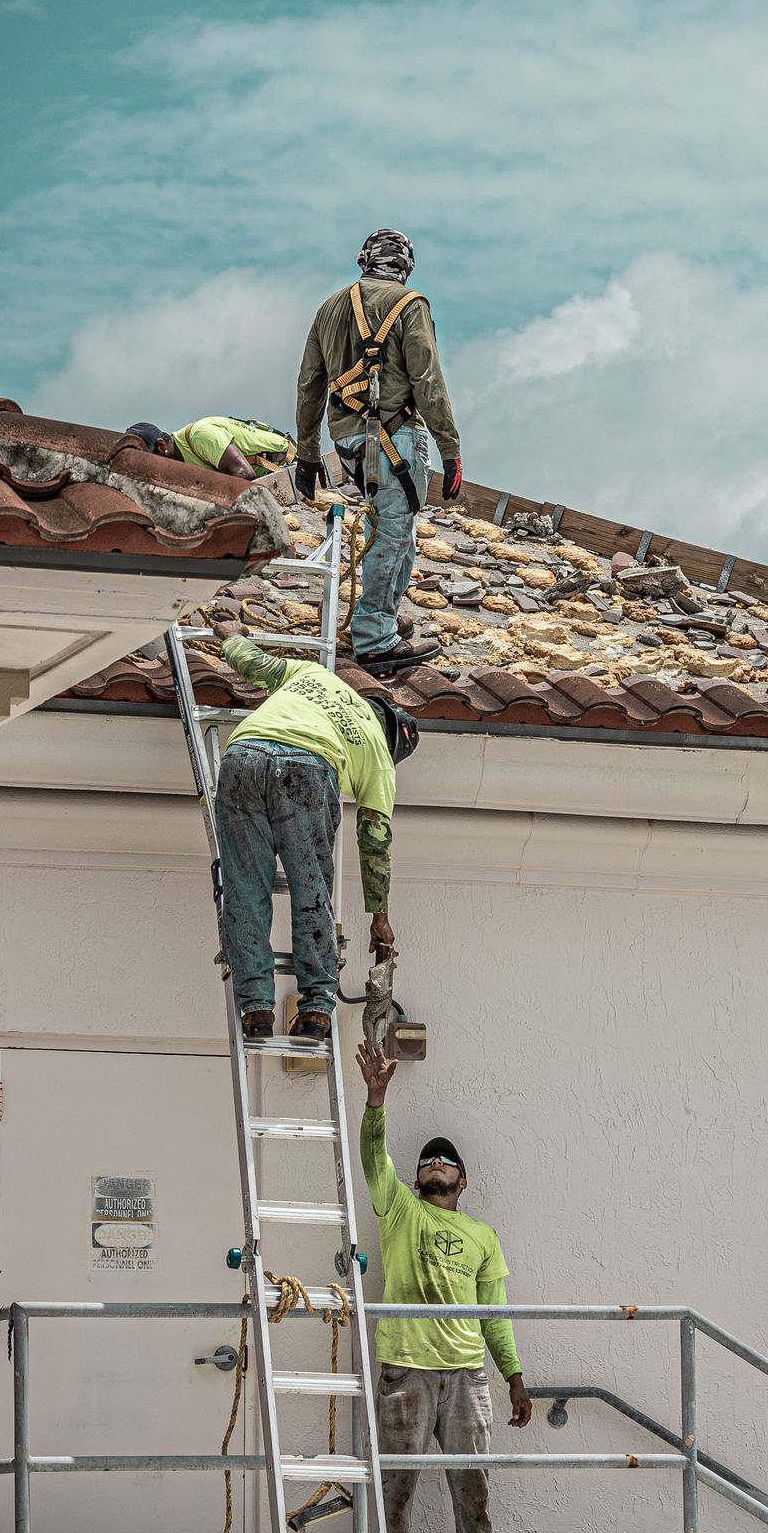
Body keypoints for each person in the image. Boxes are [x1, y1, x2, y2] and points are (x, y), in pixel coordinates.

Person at [354, 1035, 533, 1533]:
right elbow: (373, 1161)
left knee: (472, 1490)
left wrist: (513, 1376)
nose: (434, 1164)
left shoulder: (484, 1238)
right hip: (405, 1369)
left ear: (462, 1180)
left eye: (445, 1161)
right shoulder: (400, 1209)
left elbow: (495, 1313)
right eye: (427, 1160)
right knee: (395, 1491)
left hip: (465, 1374)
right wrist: (376, 1099)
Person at [211, 633, 417, 1041]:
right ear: (392, 740)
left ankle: (255, 1008)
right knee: (313, 895)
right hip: (305, 770)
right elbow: (375, 840)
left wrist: (229, 638)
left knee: (245, 889)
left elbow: (250, 662)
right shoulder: (378, 754)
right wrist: (379, 915)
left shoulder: (314, 675)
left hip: (242, 757)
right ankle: (317, 1010)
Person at [293, 230, 463, 675]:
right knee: (392, 534)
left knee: (392, 531)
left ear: (364, 261)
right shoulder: (410, 305)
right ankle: (374, 638)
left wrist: (308, 453)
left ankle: (381, 614)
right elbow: (428, 381)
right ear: (405, 265)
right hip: (394, 439)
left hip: (347, 442)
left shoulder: (329, 308)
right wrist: (451, 448)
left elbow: (310, 385)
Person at [126, 415, 296, 479]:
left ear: (161, 445)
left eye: (149, 460)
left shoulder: (199, 435)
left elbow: (244, 474)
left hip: (284, 466)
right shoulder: (181, 461)